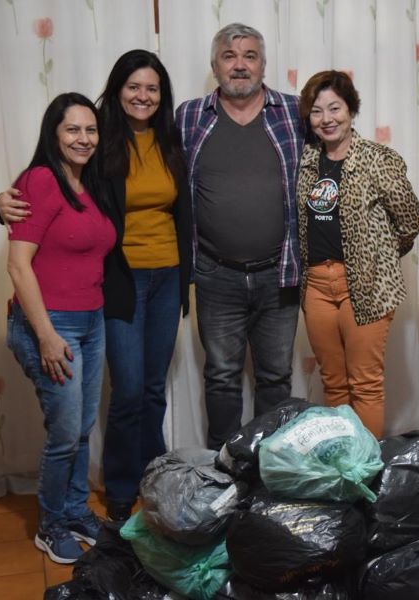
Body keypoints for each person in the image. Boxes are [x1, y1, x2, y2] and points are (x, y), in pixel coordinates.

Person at [0, 50, 192, 522]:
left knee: (151, 389)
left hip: (168, 277)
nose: (142, 96)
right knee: (126, 391)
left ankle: (156, 478)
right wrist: (3, 200)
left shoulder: (171, 140)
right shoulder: (97, 139)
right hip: (120, 279)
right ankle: (122, 488)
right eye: (133, 86)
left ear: (161, 95)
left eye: (152, 88)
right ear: (117, 89)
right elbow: (51, 187)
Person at [176, 23, 304, 450]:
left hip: (279, 274)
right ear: (214, 66)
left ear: (263, 65)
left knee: (275, 376)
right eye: (230, 56)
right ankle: (223, 471)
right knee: (222, 377)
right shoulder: (189, 116)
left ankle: (270, 471)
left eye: (250, 55)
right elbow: (141, 164)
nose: (240, 65)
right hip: (216, 275)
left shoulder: (294, 111)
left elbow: (341, 151)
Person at [5, 93, 115, 563]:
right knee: (65, 433)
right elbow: (17, 265)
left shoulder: (88, 183)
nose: (83, 139)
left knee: (83, 429)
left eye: (90, 130)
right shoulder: (40, 180)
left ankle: (75, 510)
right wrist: (47, 335)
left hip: (92, 320)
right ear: (54, 133)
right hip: (51, 325)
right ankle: (51, 525)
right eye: (73, 129)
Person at [295, 70, 419, 438]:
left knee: (365, 384)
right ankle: (343, 470)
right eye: (317, 112)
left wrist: (380, 257)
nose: (327, 119)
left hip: (365, 288)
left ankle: (367, 477)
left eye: (335, 108)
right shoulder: (307, 161)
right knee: (333, 383)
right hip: (317, 287)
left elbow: (411, 220)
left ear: (351, 110)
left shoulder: (378, 159)